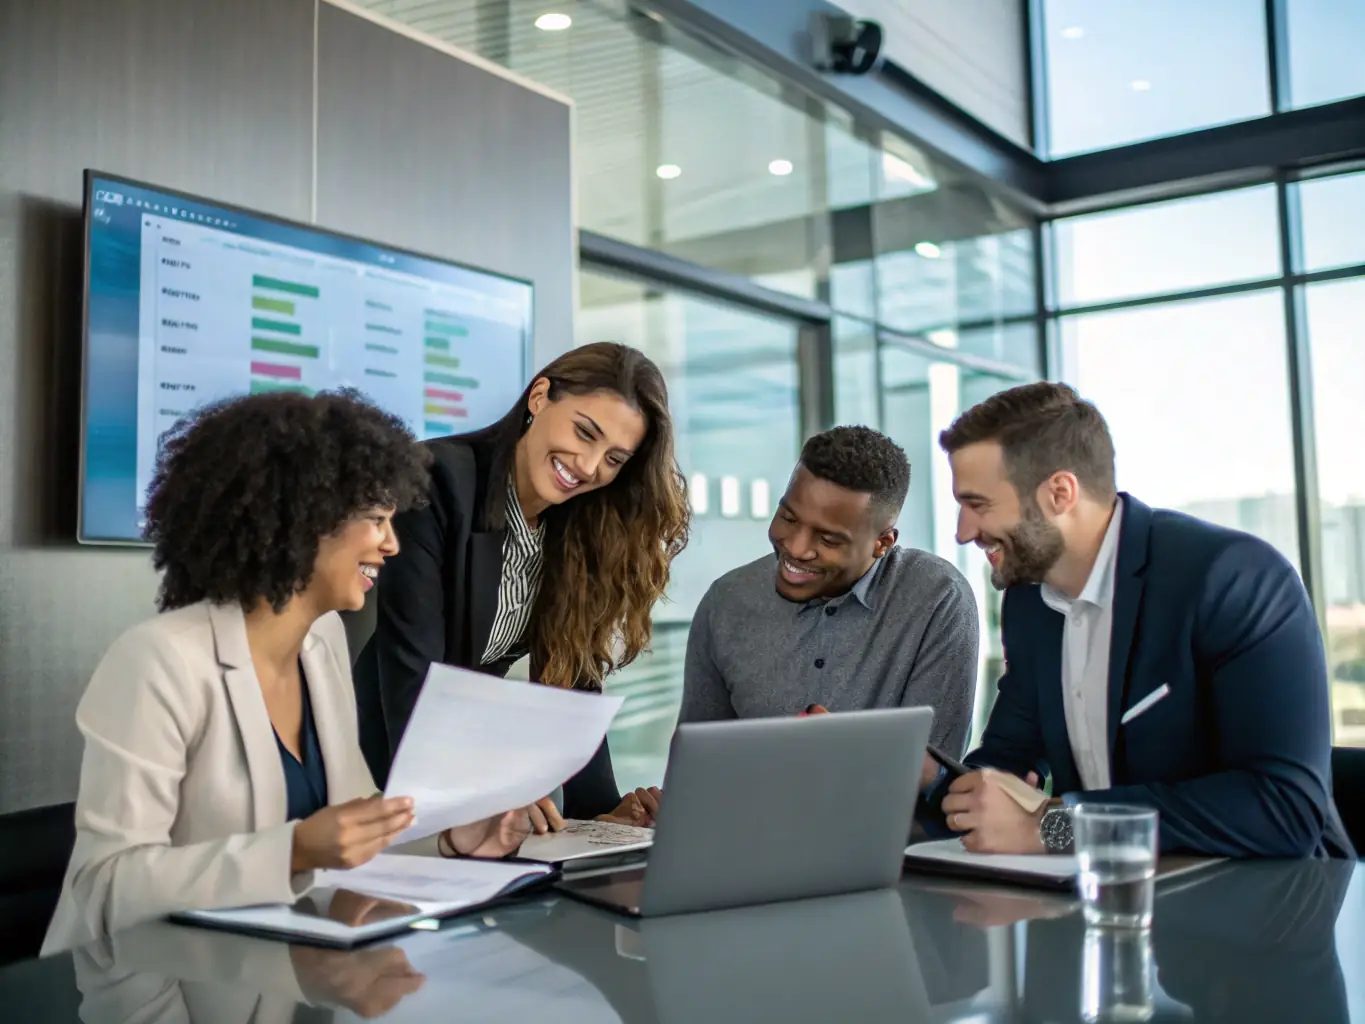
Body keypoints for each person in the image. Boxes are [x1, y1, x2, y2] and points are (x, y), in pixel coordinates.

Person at [43, 391, 538, 955]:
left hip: (272, 975)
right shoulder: (159, 662)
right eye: (376, 520)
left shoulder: (319, 646)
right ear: (303, 521)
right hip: (147, 982)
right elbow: (105, 887)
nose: (392, 544)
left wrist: (452, 838)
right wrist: (295, 850)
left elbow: (353, 828)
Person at [931, 381, 1353, 858]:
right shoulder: (1029, 601)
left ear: (1059, 493)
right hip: (1098, 903)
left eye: (978, 504)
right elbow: (1006, 764)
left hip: (1259, 908)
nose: (964, 532)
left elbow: (1283, 810)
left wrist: (1052, 827)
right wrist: (940, 782)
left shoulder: (1231, 577)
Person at [355, 342, 690, 825]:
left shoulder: (580, 525)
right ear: (539, 398)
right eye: (584, 432)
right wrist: (474, 797)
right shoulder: (437, 481)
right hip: (376, 755)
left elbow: (573, 672)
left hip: (460, 757)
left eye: (614, 458)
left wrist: (602, 814)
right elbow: (414, 672)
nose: (589, 466)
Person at [681, 425, 979, 770]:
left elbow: (933, 779)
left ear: (882, 543)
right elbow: (698, 763)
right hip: (745, 822)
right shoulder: (727, 602)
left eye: (828, 539)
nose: (796, 547)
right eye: (788, 518)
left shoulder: (938, 599)